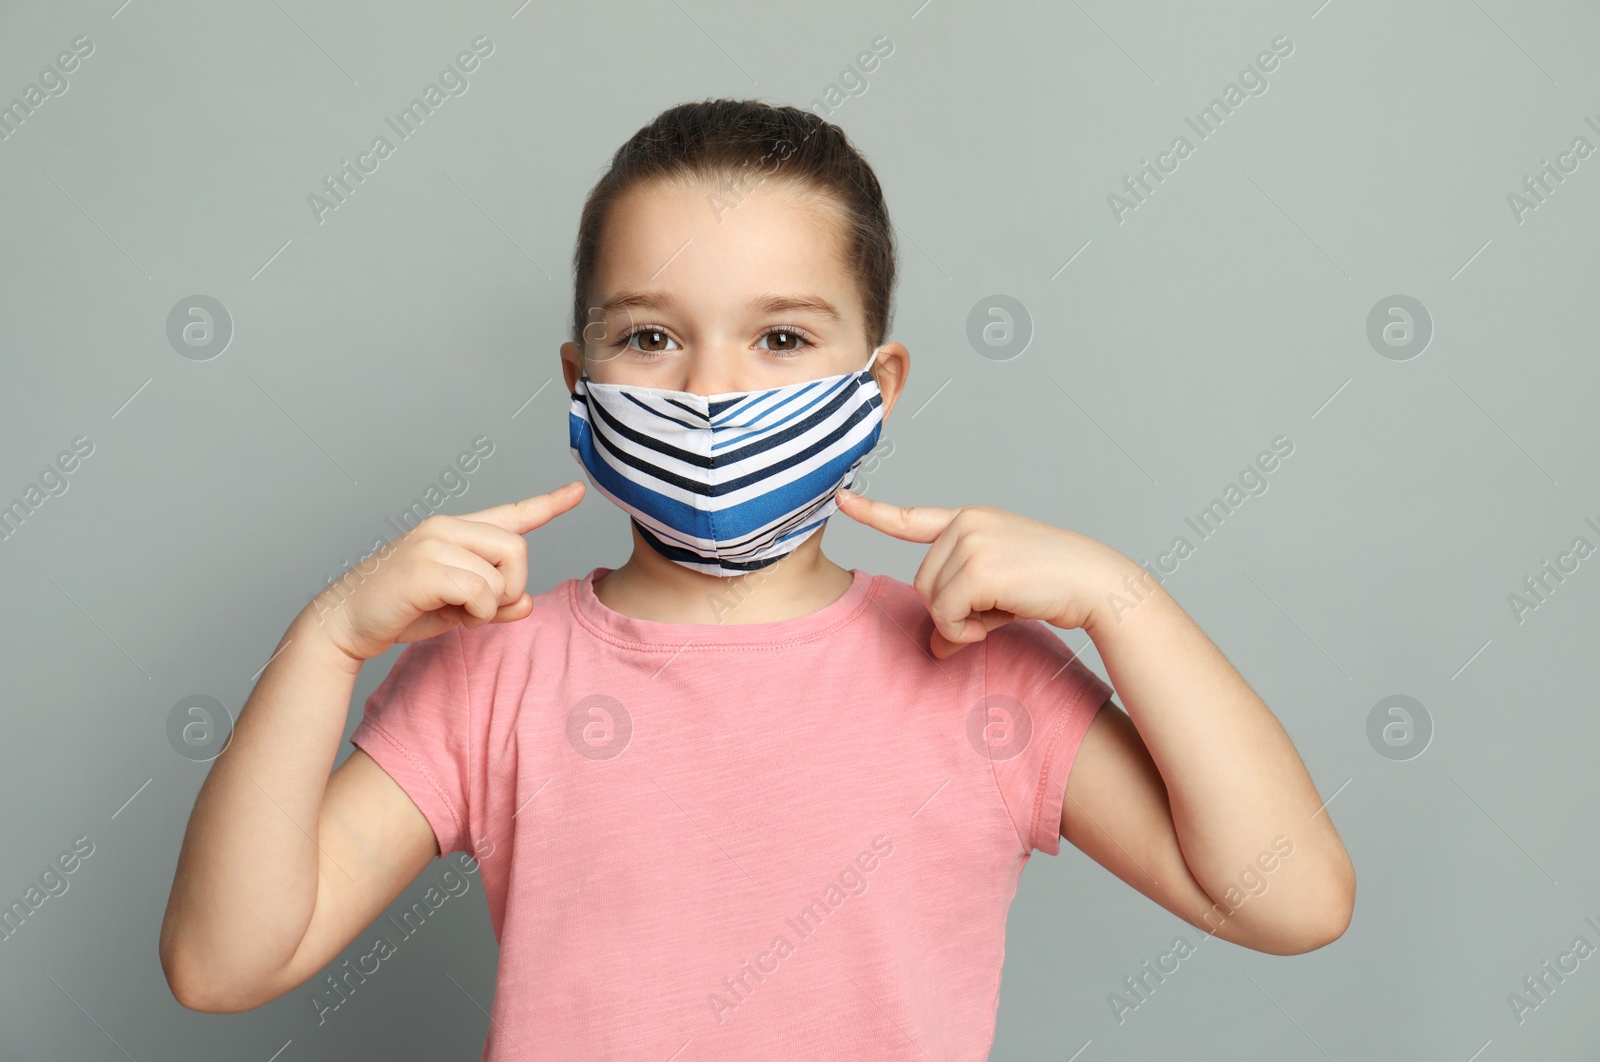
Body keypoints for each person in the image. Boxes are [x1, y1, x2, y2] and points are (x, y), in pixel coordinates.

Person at [159, 98, 1354, 1059]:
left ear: (876, 385)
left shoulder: (983, 679)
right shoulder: (493, 673)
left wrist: (1120, 596)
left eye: (780, 337)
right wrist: (325, 641)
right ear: (580, 380)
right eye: (649, 336)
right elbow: (225, 962)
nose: (712, 391)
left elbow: (1290, 897)